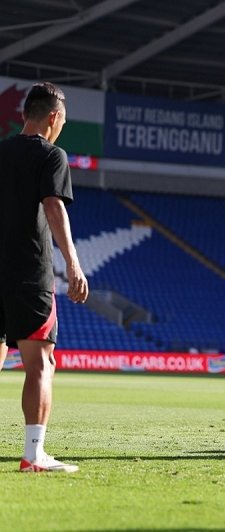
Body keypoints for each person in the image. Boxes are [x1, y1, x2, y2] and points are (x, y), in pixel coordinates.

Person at [0, 82, 89, 473]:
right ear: (53, 117)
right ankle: (33, 454)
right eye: (63, 121)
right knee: (41, 363)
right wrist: (72, 262)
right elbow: (53, 206)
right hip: (28, 274)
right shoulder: (52, 155)